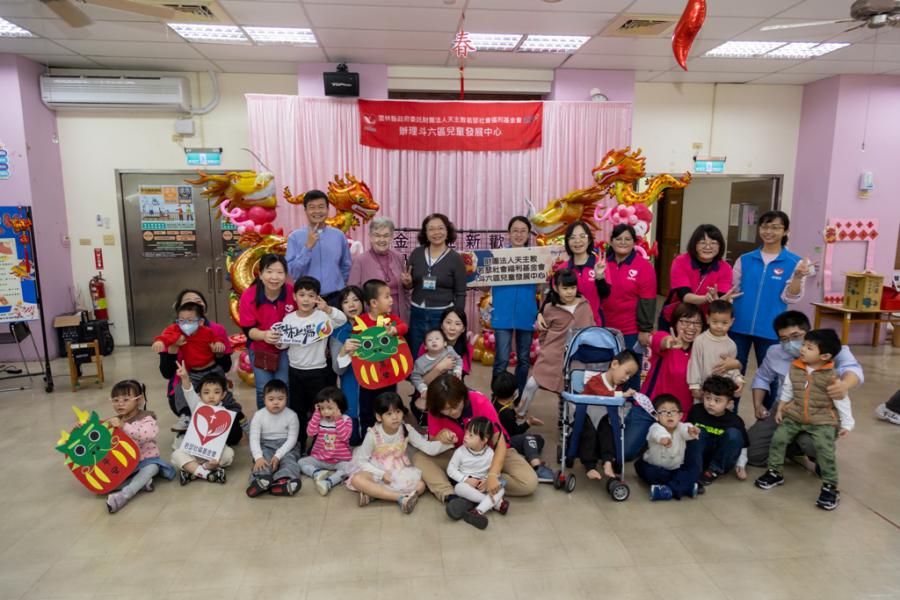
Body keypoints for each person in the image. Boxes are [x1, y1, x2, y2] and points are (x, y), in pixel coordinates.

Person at [623, 303, 739, 461]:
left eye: (697, 323)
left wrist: (737, 366)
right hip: (650, 409)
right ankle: (642, 436)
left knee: (675, 457)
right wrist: (669, 342)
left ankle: (649, 441)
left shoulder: (703, 350)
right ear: (675, 323)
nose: (691, 327)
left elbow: (724, 372)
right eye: (685, 322)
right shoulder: (664, 340)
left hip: (681, 417)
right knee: (626, 452)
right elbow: (660, 340)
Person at [746, 310, 863, 467]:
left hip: (820, 411)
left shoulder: (831, 348)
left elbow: (853, 369)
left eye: (796, 336)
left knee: (812, 444)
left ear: (809, 332)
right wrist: (758, 404)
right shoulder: (774, 352)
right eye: (784, 339)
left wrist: (844, 385)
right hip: (786, 408)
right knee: (753, 454)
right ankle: (793, 444)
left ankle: (811, 447)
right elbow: (762, 377)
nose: (791, 344)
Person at [755, 329, 855, 511]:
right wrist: (781, 408)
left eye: (809, 348)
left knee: (824, 449)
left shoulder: (832, 376)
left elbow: (842, 400)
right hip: (795, 415)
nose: (802, 349)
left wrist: (847, 424)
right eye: (804, 345)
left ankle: (830, 486)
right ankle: (775, 471)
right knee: (778, 439)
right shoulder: (796, 367)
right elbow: (787, 389)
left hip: (822, 420)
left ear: (824, 355)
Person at [413, 373, 539, 514]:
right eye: (446, 409)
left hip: (491, 453)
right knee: (420, 458)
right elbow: (431, 443)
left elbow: (500, 443)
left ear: (463, 396)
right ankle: (452, 497)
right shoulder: (435, 411)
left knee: (529, 482)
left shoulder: (479, 402)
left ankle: (471, 487)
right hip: (459, 455)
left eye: (456, 405)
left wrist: (492, 476)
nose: (453, 412)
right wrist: (439, 437)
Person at [731, 210, 812, 372]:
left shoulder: (795, 262)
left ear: (785, 231)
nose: (769, 232)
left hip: (772, 329)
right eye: (765, 227)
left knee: (771, 375)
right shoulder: (745, 259)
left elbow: (790, 298)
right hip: (738, 325)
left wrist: (797, 277)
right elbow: (732, 289)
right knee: (733, 374)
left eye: (775, 227)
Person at [347, 392, 451, 514]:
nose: (395, 417)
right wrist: (381, 474)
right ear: (379, 417)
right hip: (375, 469)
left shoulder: (406, 429)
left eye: (398, 412)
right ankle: (399, 498)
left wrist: (449, 443)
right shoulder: (373, 434)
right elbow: (361, 460)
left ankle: (374, 494)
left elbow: (427, 447)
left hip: (398, 470)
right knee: (357, 479)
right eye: (389, 414)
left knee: (421, 485)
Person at [278, 276, 347, 452]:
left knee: (320, 410)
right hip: (295, 372)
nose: (306, 299)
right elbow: (284, 344)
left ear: (317, 298)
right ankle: (299, 444)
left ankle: (319, 444)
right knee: (298, 410)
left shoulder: (323, 317)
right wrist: (277, 341)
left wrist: (328, 308)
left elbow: (342, 320)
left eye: (311, 295)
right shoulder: (289, 319)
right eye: (302, 295)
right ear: (294, 297)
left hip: (318, 372)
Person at [517, 268, 595, 420]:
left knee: (570, 394)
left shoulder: (585, 306)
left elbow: (591, 330)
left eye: (572, 288)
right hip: (551, 356)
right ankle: (519, 414)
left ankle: (567, 426)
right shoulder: (550, 308)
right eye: (565, 288)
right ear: (556, 288)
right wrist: (546, 349)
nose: (569, 292)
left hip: (576, 359)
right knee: (532, 384)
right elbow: (543, 333)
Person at [157, 289, 234, 432]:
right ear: (179, 310)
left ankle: (230, 416)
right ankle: (186, 417)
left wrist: (217, 352)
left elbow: (226, 366)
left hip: (211, 378)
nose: (192, 305)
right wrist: (172, 349)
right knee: (183, 391)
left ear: (203, 308)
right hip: (188, 380)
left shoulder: (216, 330)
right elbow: (167, 373)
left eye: (198, 301)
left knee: (232, 434)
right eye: (187, 303)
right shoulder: (172, 333)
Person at [599, 224, 657, 391]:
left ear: (634, 242)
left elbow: (648, 300)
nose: (623, 242)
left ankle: (631, 411)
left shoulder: (643, 266)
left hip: (631, 330)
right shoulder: (602, 263)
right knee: (607, 370)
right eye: (618, 239)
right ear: (611, 241)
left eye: (628, 239)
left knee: (629, 373)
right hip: (604, 328)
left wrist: (645, 329)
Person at [105, 380, 176, 513]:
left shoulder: (147, 417)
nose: (120, 403)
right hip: (125, 465)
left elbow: (147, 434)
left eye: (126, 399)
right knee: (107, 485)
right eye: (115, 400)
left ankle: (124, 495)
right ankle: (141, 483)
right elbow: (101, 438)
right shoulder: (114, 421)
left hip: (145, 460)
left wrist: (123, 426)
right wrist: (81, 428)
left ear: (139, 400)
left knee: (152, 468)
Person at [406, 213, 467, 363]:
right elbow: (410, 284)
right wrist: (407, 283)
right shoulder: (417, 253)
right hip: (417, 312)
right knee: (416, 354)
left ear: (447, 231)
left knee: (439, 357)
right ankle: (418, 386)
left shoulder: (455, 259)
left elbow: (460, 293)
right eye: (431, 229)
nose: (436, 232)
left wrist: (456, 320)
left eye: (440, 228)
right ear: (425, 233)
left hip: (441, 315)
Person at [351, 278, 409, 432]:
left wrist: (395, 330)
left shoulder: (390, 320)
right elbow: (355, 344)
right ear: (374, 303)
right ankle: (367, 436)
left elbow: (404, 326)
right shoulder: (360, 322)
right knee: (366, 407)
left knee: (389, 404)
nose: (391, 300)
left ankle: (390, 433)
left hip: (388, 372)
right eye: (387, 296)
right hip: (369, 376)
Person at [491, 216, 540, 397]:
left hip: (526, 313)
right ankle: (497, 396)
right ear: (509, 233)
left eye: (523, 231)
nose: (519, 235)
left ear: (528, 234)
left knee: (524, 359)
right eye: (515, 231)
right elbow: (483, 282)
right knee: (502, 359)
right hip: (502, 313)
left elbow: (543, 285)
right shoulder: (497, 256)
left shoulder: (536, 257)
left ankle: (517, 395)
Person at [239, 254, 294, 409]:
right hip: (259, 349)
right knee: (264, 389)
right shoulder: (249, 295)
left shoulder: (292, 292)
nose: (274, 277)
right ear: (261, 274)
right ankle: (266, 427)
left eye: (280, 272)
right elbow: (248, 329)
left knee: (284, 387)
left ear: (285, 275)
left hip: (285, 350)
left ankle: (285, 426)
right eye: (269, 272)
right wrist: (264, 335)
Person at [577, 350, 642, 482]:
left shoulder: (616, 388)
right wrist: (621, 395)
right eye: (627, 372)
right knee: (588, 432)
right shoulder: (595, 381)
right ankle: (590, 466)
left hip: (602, 419)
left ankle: (607, 461)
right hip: (586, 415)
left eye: (630, 376)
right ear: (614, 364)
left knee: (609, 430)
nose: (627, 378)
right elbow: (602, 393)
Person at [171, 365, 242, 485]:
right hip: (192, 451)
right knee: (176, 455)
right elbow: (188, 391)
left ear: (223, 395)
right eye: (206, 392)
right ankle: (207, 473)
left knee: (229, 455)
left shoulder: (224, 412)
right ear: (200, 395)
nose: (211, 396)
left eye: (216, 392)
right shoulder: (197, 405)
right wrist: (185, 377)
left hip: (212, 454)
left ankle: (194, 470)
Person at [658, 224, 736, 331]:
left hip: (705, 321)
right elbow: (685, 296)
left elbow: (720, 297)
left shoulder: (725, 268)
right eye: (702, 242)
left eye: (713, 243)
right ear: (694, 244)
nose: (708, 247)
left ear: (720, 246)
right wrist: (707, 298)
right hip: (676, 318)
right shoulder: (681, 261)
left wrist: (721, 300)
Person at [285, 189, 352, 306]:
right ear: (305, 211)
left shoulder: (339, 235)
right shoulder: (294, 237)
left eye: (321, 207)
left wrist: (338, 283)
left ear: (327, 209)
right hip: (308, 301)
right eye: (312, 207)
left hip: (336, 298)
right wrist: (307, 247)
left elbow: (346, 266)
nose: (317, 211)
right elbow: (293, 272)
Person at [410, 307, 472, 425]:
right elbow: (417, 379)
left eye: (457, 324)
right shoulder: (428, 345)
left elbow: (459, 378)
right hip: (428, 391)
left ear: (463, 328)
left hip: (451, 389)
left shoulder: (465, 347)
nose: (452, 328)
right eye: (448, 322)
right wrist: (439, 368)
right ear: (442, 325)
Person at [634, 394, 702, 501]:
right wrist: (664, 438)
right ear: (656, 416)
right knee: (643, 468)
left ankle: (667, 491)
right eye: (664, 411)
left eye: (673, 411)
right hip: (655, 467)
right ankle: (684, 487)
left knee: (690, 470)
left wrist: (691, 431)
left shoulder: (681, 427)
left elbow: (686, 430)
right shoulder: (655, 427)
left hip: (676, 468)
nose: (669, 415)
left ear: (680, 416)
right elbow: (657, 433)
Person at [446, 417, 510, 529]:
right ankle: (495, 504)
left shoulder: (490, 453)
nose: (465, 437)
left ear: (484, 440)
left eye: (471, 435)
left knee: (501, 488)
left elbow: (495, 471)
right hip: (467, 485)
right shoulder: (460, 452)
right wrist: (465, 479)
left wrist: (486, 481)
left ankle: (477, 511)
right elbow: (451, 469)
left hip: (483, 486)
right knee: (459, 488)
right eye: (466, 432)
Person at [491, 371, 555, 483]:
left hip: (497, 439)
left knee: (538, 440)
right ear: (514, 392)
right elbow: (515, 433)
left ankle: (525, 457)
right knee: (530, 438)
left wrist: (517, 409)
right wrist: (528, 423)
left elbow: (503, 416)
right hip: (506, 443)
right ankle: (537, 467)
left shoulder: (494, 402)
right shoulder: (507, 414)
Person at [687, 376, 749, 486]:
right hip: (698, 455)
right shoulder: (696, 411)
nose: (711, 403)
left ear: (729, 404)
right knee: (697, 431)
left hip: (722, 457)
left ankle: (713, 470)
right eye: (708, 398)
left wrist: (741, 465)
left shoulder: (735, 421)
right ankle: (693, 468)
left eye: (717, 400)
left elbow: (743, 445)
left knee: (734, 434)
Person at [348, 217, 412, 323]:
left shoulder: (399, 257)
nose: (382, 240)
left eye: (386, 236)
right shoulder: (360, 260)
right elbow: (353, 293)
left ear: (392, 237)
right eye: (377, 235)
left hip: (399, 317)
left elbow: (406, 290)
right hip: (373, 319)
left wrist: (407, 284)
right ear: (370, 237)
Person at [247, 379, 302, 498]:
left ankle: (282, 482)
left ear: (286, 399)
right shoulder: (259, 416)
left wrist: (278, 455)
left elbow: (292, 439)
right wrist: (258, 457)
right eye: (271, 399)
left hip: (287, 446)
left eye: (280, 399)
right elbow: (254, 439)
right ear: (264, 400)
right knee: (263, 463)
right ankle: (259, 481)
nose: (276, 403)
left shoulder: (292, 415)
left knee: (290, 461)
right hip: (266, 445)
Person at [686, 299, 744, 404]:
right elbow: (694, 363)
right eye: (715, 321)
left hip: (722, 393)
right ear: (708, 319)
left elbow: (732, 368)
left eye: (724, 323)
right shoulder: (700, 340)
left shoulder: (731, 345)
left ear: (731, 322)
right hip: (703, 391)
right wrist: (694, 385)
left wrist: (738, 380)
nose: (719, 326)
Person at [298, 387, 353, 496]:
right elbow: (310, 433)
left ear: (340, 407)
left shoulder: (346, 420)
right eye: (322, 408)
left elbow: (344, 437)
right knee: (301, 462)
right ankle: (317, 473)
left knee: (350, 468)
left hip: (339, 460)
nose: (326, 412)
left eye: (329, 408)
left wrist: (338, 420)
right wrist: (316, 415)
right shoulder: (319, 419)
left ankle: (329, 482)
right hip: (320, 458)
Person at [331, 286, 366, 445]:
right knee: (353, 439)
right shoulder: (338, 332)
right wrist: (344, 351)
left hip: (373, 389)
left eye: (356, 300)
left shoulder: (375, 326)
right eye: (346, 302)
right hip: (351, 390)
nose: (351, 305)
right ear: (341, 308)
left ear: (364, 303)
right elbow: (337, 369)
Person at [555, 220, 607, 326]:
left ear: (589, 240)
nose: (577, 241)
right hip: (568, 326)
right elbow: (554, 296)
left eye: (582, 236)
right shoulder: (562, 268)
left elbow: (605, 294)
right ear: (567, 242)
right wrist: (540, 314)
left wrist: (599, 276)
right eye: (572, 237)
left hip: (593, 325)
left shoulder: (599, 264)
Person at [152, 302, 224, 373]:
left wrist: (218, 343)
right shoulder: (177, 330)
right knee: (186, 384)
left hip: (212, 369)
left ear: (200, 322)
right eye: (181, 320)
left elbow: (216, 338)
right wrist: (160, 341)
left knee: (215, 384)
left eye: (190, 320)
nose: (185, 324)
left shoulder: (207, 331)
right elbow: (167, 335)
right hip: (194, 372)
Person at [411, 328, 462, 395]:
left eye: (437, 339)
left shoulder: (449, 350)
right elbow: (415, 377)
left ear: (445, 343)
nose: (434, 341)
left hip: (450, 386)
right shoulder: (420, 362)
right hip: (433, 390)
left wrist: (457, 370)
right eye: (430, 340)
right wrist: (423, 389)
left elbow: (458, 359)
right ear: (425, 346)